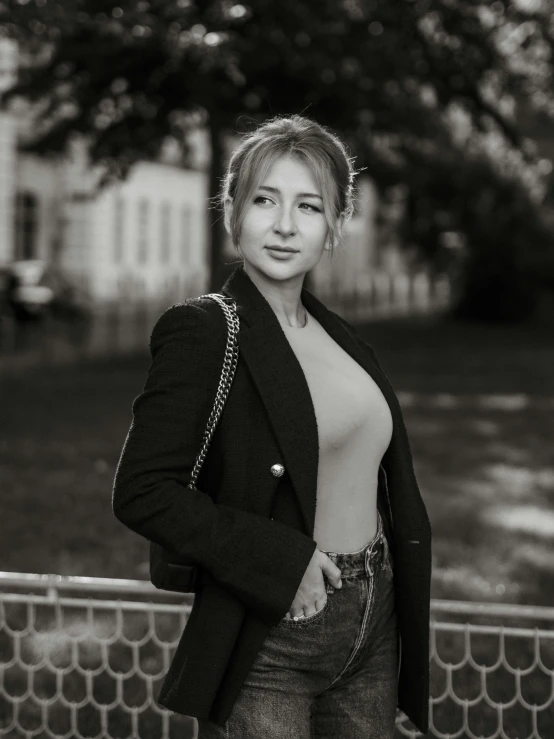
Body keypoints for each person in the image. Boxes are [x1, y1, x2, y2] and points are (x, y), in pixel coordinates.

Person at [112, 114, 432, 738]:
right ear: (232, 210)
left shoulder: (342, 336)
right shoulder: (204, 330)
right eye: (264, 200)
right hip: (272, 633)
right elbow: (143, 491)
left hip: (373, 624)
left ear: (335, 225)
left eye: (309, 207)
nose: (285, 225)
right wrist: (281, 561)